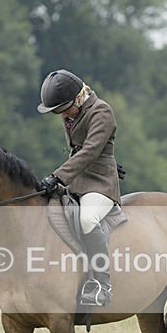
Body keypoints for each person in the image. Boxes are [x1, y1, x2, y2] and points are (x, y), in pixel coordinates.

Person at [36, 69, 120, 307]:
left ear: (79, 97)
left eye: (64, 109)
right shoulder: (72, 112)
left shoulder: (102, 111)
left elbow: (91, 150)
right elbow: (79, 149)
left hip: (100, 183)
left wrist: (57, 176)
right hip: (76, 180)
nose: (62, 115)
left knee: (87, 219)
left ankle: (103, 285)